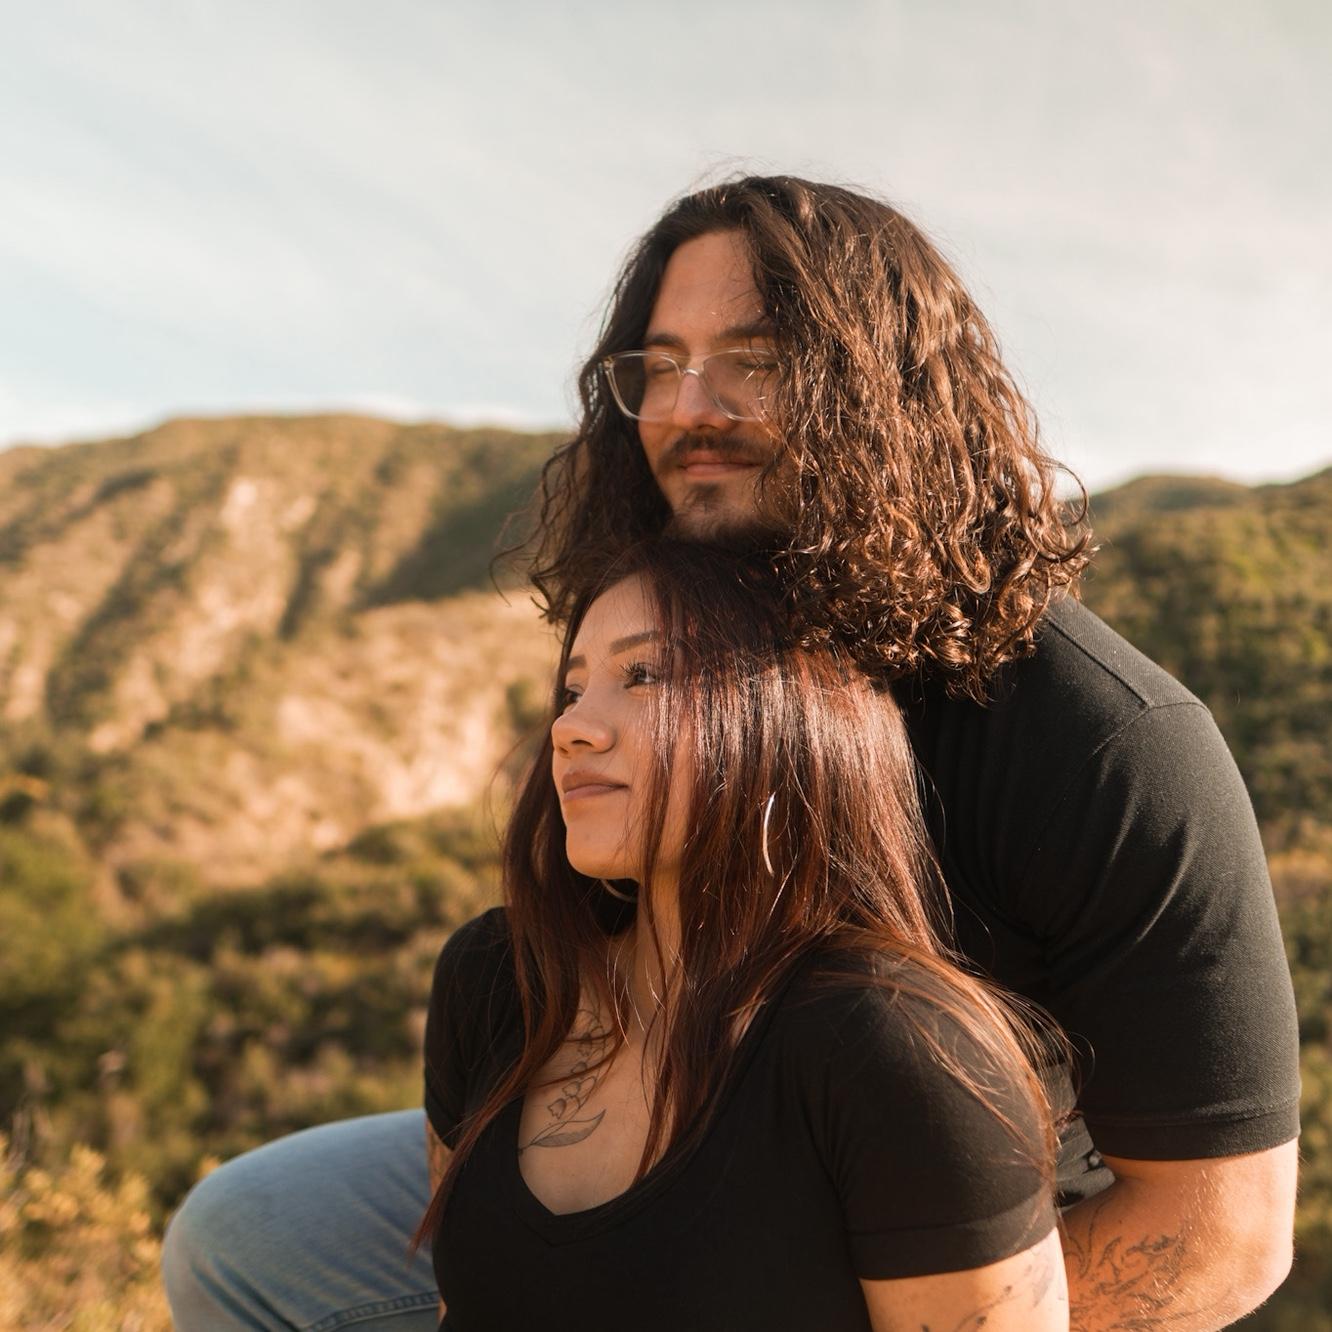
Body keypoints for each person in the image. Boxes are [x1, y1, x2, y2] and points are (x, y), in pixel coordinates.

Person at [162, 175, 1300, 1331]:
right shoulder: (654, 641)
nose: (688, 409)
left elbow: (1222, 1232)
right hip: (670, 1132)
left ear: (883, 392)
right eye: (659, 367)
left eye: (753, 361)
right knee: (251, 1238)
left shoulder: (1104, 744)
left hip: (967, 1216)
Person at [420, 540, 1068, 1329]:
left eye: (644, 675)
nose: (572, 729)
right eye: (572, 689)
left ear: (789, 717)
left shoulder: (899, 1051)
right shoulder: (498, 980)